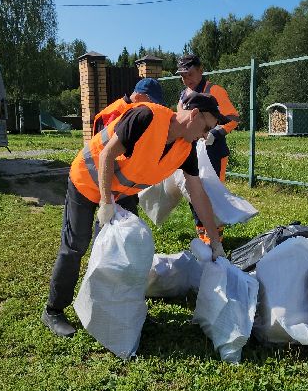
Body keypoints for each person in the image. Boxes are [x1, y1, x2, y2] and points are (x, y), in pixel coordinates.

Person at [43, 92, 226, 337]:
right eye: (206, 127)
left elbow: (198, 193)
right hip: (87, 180)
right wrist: (106, 202)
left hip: (122, 191)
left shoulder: (186, 148)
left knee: (123, 249)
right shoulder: (146, 116)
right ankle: (54, 310)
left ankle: (124, 309)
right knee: (75, 245)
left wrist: (214, 239)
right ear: (194, 115)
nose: (205, 135)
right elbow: (107, 154)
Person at [176, 53, 239, 241]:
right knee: (193, 191)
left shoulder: (215, 91)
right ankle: (202, 233)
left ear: (201, 70)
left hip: (213, 151)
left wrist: (217, 132)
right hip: (191, 150)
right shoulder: (183, 96)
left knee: (212, 192)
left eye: (190, 74)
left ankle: (215, 237)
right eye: (183, 76)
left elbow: (233, 118)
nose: (187, 79)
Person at [92, 77, 164, 135]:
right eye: (151, 102)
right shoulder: (115, 113)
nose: (153, 107)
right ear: (137, 97)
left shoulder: (131, 110)